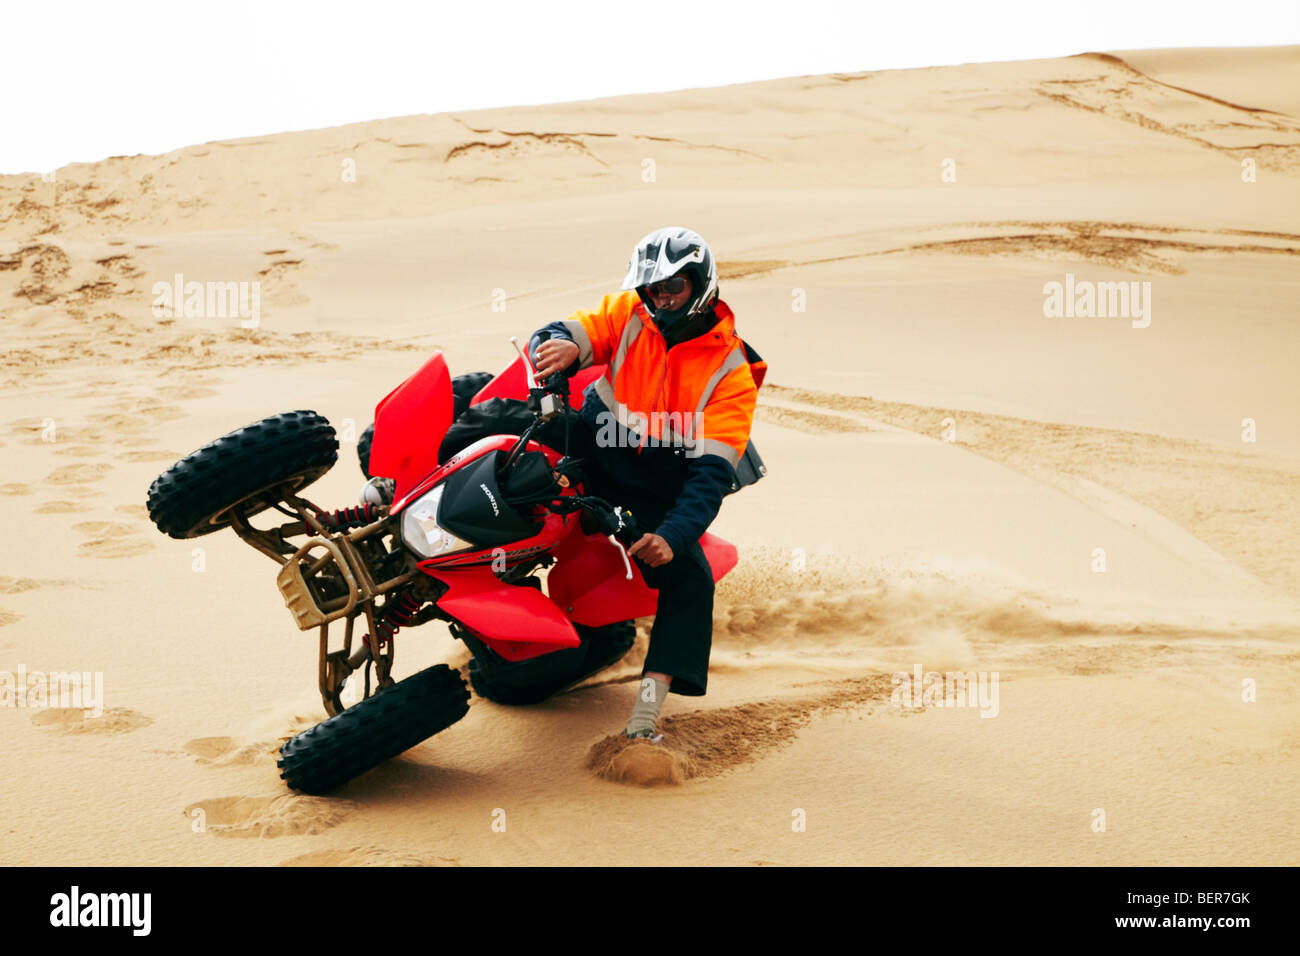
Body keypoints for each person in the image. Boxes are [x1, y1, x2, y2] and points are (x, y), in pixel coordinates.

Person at [528, 226, 764, 740]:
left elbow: (710, 477)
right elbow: (563, 331)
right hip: (588, 443)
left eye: (672, 287)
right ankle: (398, 503)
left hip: (650, 490)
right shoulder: (630, 313)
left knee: (691, 582)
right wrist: (557, 346)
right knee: (498, 421)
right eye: (652, 288)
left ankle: (644, 718)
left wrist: (672, 536)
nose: (660, 298)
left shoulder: (732, 373)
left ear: (700, 284)